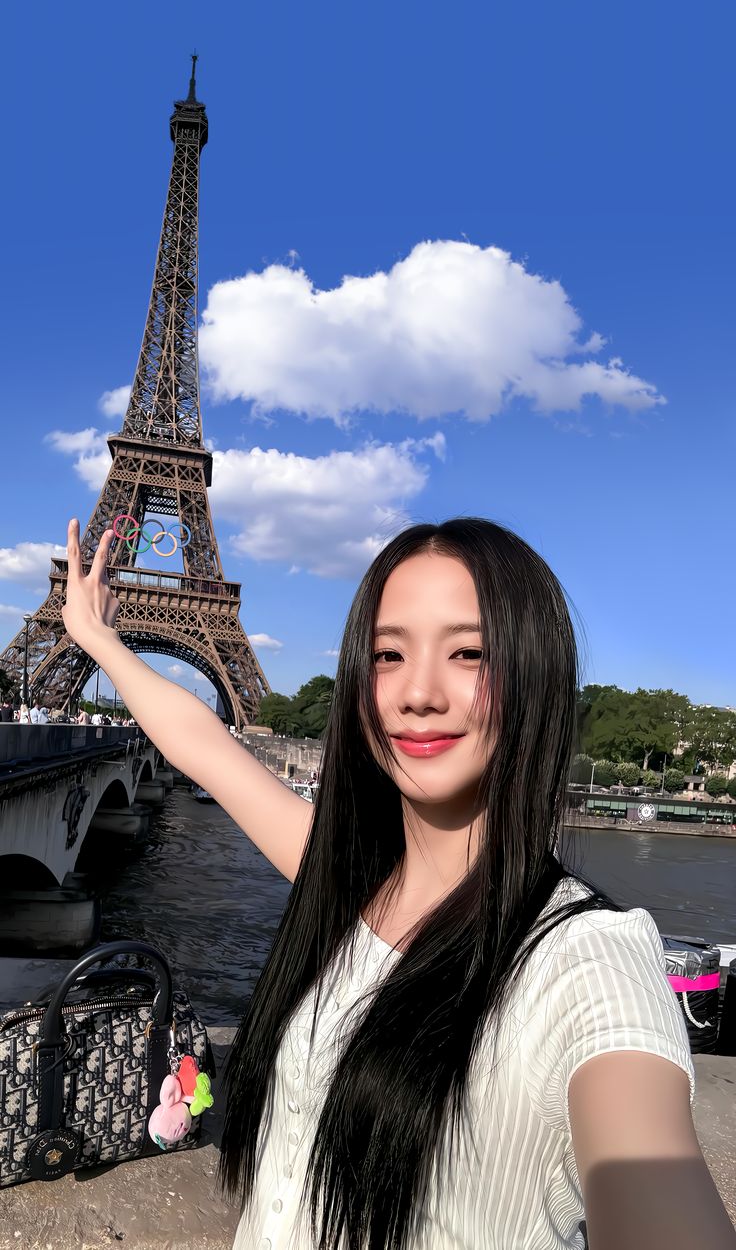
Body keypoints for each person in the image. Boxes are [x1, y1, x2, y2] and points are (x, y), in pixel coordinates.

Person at [60, 515, 736, 1250]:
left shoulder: (590, 964)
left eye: (470, 652)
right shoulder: (347, 881)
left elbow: (652, 1178)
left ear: (539, 678)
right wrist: (98, 638)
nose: (418, 692)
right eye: (387, 653)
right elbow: (204, 745)